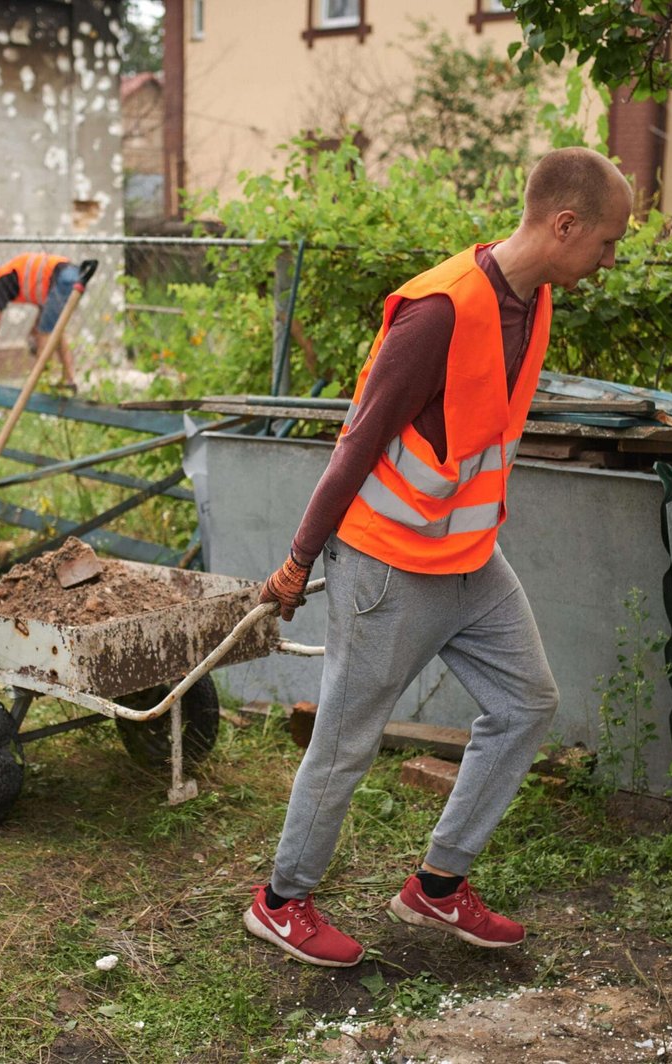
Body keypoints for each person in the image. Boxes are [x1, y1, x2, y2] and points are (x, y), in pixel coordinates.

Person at [247, 147, 633, 967]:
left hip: (471, 561)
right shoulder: (439, 312)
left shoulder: (535, 300)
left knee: (526, 703)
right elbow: (358, 442)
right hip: (387, 564)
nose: (610, 260)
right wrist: (298, 559)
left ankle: (437, 885)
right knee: (346, 742)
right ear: (565, 225)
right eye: (607, 243)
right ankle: (281, 902)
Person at [0, 253, 81, 390]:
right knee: (56, 332)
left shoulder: (1, 281)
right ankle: (69, 381)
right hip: (74, 276)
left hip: (62, 277)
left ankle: (41, 383)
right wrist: (32, 331)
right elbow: (44, 308)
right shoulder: (15, 278)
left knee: (44, 335)